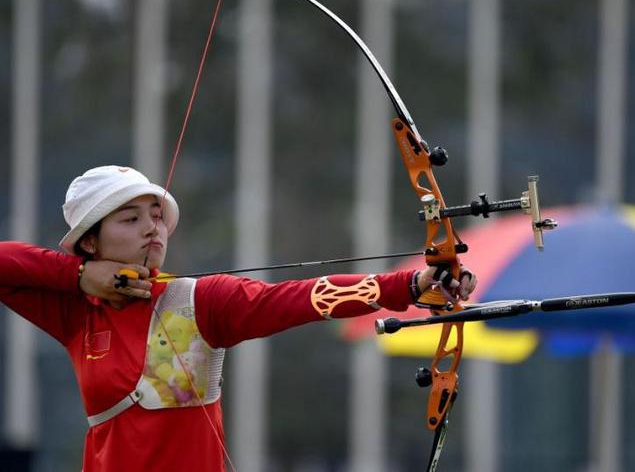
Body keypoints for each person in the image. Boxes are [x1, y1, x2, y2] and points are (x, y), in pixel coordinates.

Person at [0, 165, 476, 472]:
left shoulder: (199, 301)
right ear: (89, 241)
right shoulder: (75, 311)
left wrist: (410, 285)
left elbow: (299, 297)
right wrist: (81, 276)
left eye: (156, 216)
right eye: (130, 219)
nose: (152, 228)